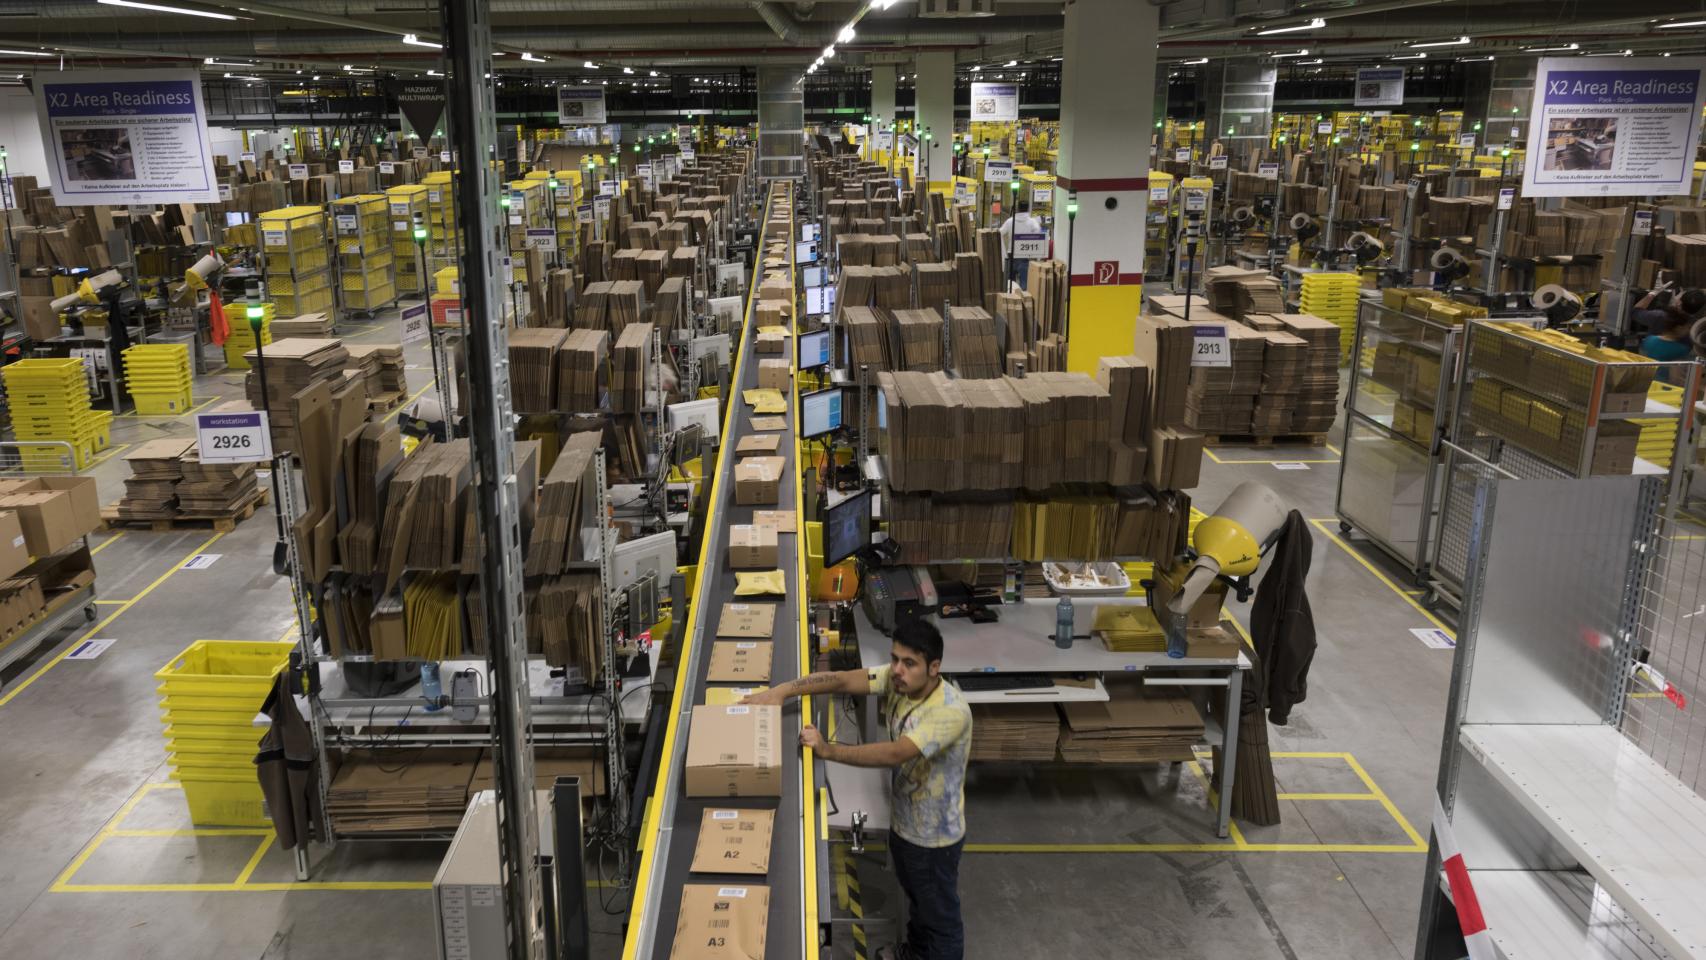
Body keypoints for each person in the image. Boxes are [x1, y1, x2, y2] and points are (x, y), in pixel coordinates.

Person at [745, 618, 972, 960]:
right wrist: (781, 691)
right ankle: (913, 953)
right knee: (918, 903)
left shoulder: (949, 712)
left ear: (934, 668)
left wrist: (828, 750)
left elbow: (895, 753)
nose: (897, 669)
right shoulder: (898, 681)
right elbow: (839, 680)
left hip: (933, 839)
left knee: (940, 919)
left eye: (909, 663)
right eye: (895, 658)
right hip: (905, 822)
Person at [998, 201, 1046, 290]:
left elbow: (999, 233)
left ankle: (1011, 301)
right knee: (1024, 286)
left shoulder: (1010, 221)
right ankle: (1023, 302)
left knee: (1009, 286)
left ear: (1018, 209)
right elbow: (1038, 236)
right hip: (1025, 257)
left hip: (1011, 256)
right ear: (1027, 209)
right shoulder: (1032, 222)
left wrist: (1003, 252)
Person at [1641, 312, 1698, 383]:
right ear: (1679, 328)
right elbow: (1676, 377)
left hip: (1647, 381)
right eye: (1687, 327)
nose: (1688, 331)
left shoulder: (1649, 339)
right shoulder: (1681, 349)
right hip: (1664, 384)